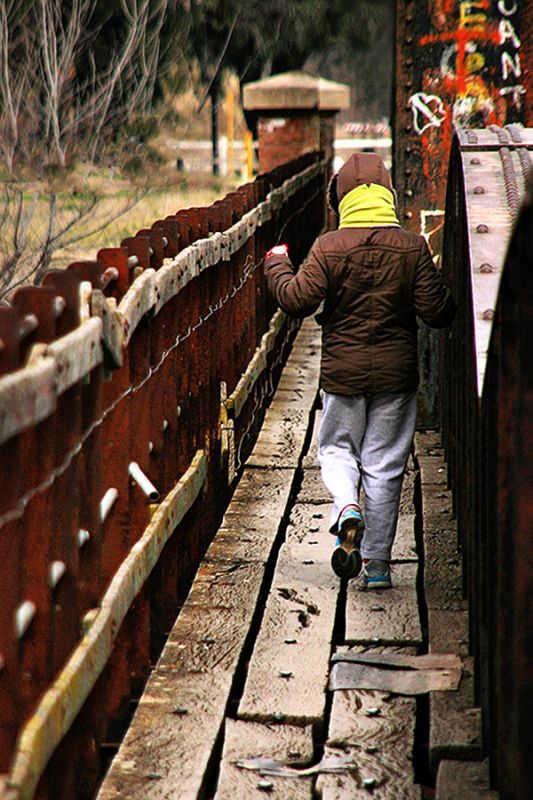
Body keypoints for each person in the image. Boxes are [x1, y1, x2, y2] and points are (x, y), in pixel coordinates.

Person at [263, 152, 456, 589]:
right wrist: (435, 278)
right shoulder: (412, 247)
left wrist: (276, 262)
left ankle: (347, 506)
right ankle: (378, 567)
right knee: (385, 465)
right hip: (396, 376)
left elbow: (296, 300)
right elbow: (439, 312)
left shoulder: (329, 247)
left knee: (336, 451)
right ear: (386, 194)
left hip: (342, 376)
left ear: (342, 199)